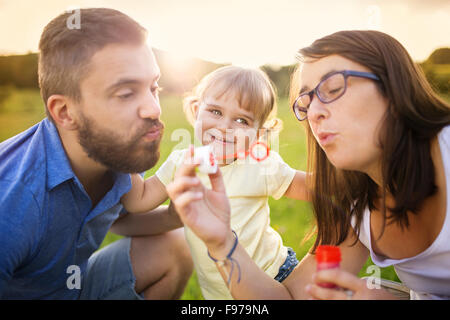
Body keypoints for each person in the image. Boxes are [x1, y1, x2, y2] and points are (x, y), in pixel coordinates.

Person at [166, 30, 450, 299]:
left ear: (393, 87)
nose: (313, 112)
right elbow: (289, 297)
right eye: (305, 102)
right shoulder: (357, 204)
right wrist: (223, 245)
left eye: (333, 88)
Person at [0, 8, 193, 299]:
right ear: (65, 112)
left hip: (71, 287)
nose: (153, 109)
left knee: (175, 246)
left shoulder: (116, 149)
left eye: (153, 87)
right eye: (126, 94)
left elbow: (117, 219)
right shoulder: (12, 202)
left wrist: (173, 216)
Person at [120, 65, 309, 299]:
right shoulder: (182, 162)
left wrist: (356, 180)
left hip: (273, 277)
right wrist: (123, 152)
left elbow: (312, 187)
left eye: (242, 120)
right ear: (197, 110)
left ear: (258, 135)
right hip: (220, 293)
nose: (225, 127)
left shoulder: (261, 165)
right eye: (216, 112)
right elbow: (139, 200)